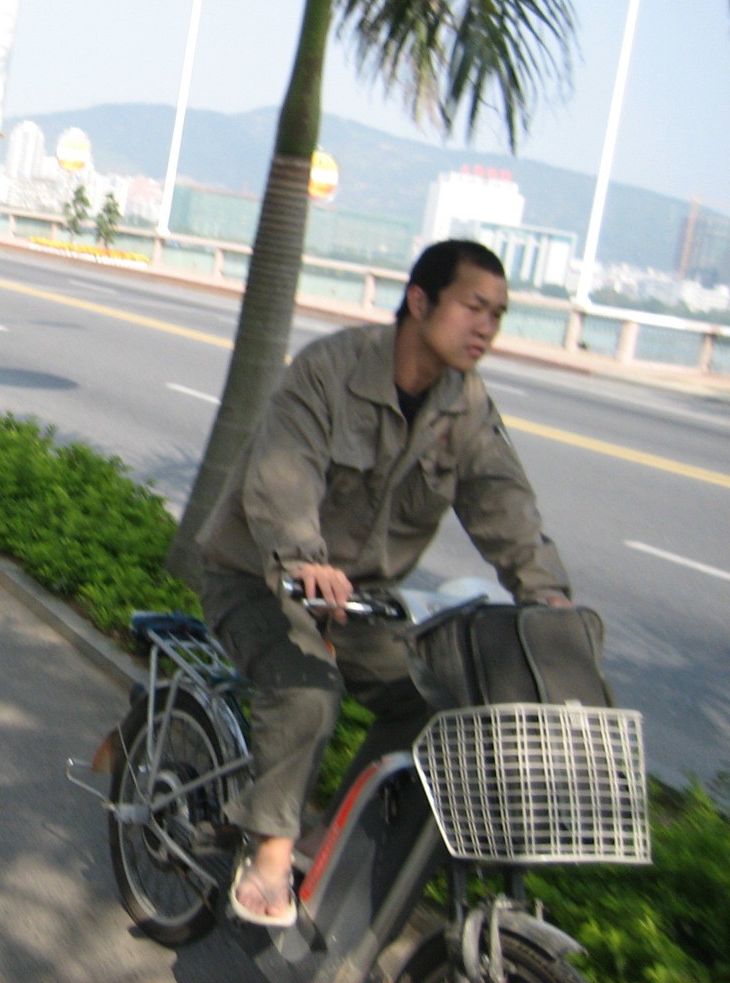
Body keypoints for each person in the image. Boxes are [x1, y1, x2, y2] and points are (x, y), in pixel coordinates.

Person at [195, 239, 572, 927]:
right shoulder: (331, 370)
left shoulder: (466, 407)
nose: (486, 326)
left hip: (360, 602)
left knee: (439, 698)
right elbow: (285, 473)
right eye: (473, 307)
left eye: (498, 314)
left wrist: (547, 595)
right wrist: (303, 557)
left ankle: (328, 837)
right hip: (256, 575)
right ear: (420, 302)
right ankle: (270, 853)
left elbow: (503, 504)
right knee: (309, 689)